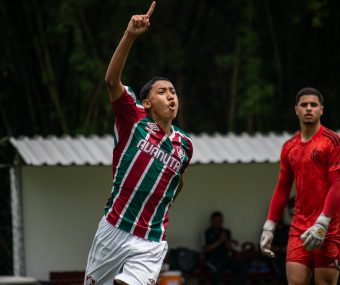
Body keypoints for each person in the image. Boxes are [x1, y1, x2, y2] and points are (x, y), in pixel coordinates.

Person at [84, 2, 194, 284]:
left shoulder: (185, 145)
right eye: (162, 91)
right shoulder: (134, 119)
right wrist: (130, 35)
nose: (171, 96)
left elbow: (176, 183)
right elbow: (111, 81)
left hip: (152, 240)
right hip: (114, 228)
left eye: (173, 91)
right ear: (147, 102)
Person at [259, 87, 340, 285]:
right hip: (299, 227)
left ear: (321, 110)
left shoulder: (333, 142)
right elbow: (282, 188)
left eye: (314, 105)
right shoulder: (289, 147)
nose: (309, 108)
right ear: (296, 110)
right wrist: (269, 226)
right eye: (304, 105)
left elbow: (337, 186)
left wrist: (322, 223)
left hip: (330, 227)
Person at [202, 211, 245, 285]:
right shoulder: (207, 232)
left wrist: (228, 242)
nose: (218, 223)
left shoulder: (226, 231)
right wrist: (219, 241)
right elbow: (206, 249)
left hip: (225, 258)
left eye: (219, 221)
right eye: (215, 221)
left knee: (242, 267)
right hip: (212, 259)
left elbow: (228, 248)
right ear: (211, 222)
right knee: (216, 270)